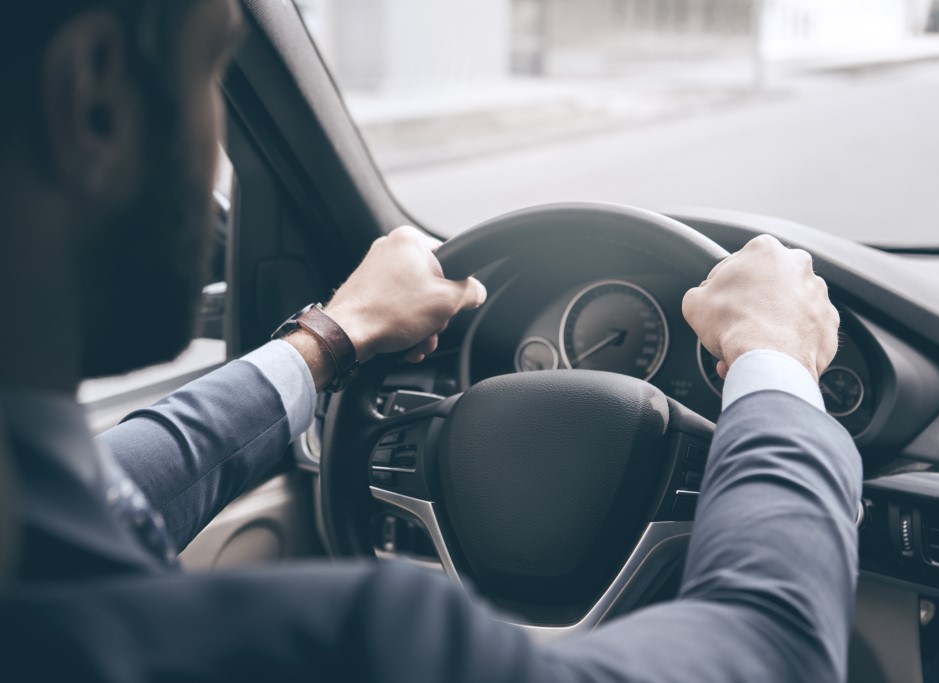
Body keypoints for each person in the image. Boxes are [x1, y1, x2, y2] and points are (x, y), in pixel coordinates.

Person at [0, 1, 861, 681]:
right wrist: (774, 358)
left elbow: (122, 480)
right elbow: (771, 648)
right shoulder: (348, 645)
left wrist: (333, 336)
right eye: (213, 74)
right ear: (96, 97)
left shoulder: (40, 528)